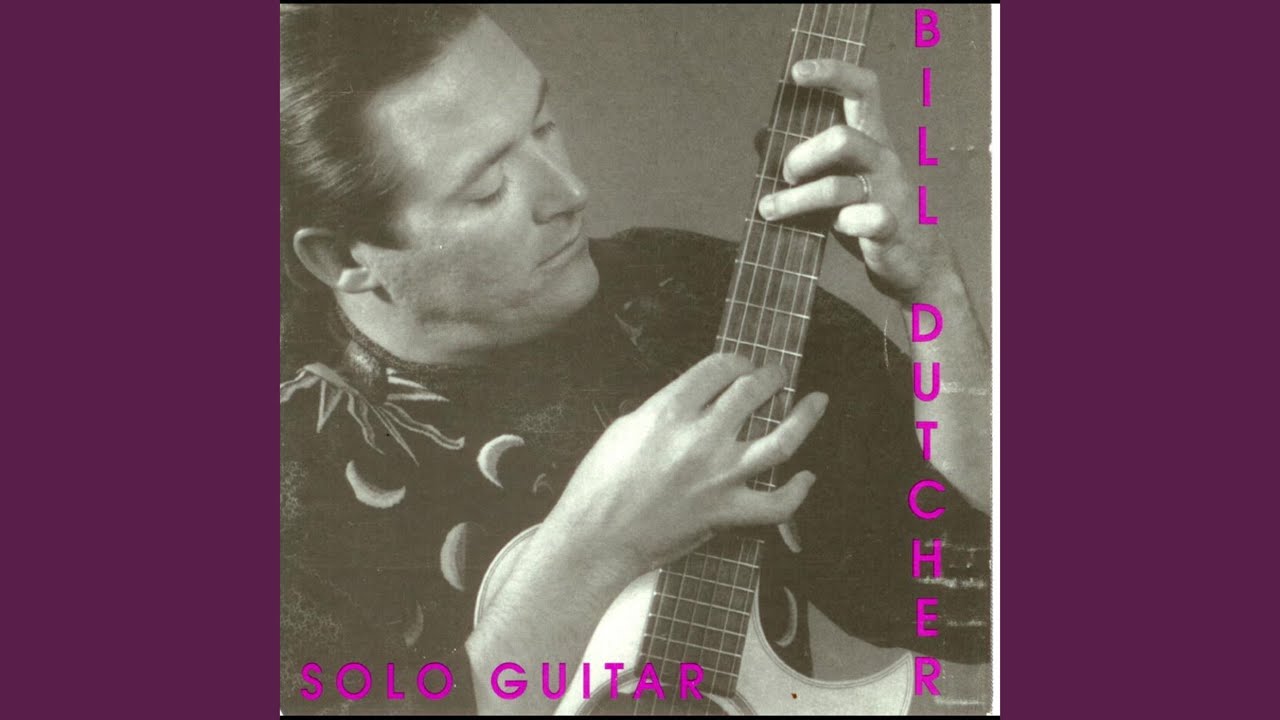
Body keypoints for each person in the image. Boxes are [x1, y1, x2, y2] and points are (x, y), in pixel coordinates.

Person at [280, 5, 992, 715]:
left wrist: (935, 291)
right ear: (342, 257)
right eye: (487, 189)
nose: (570, 193)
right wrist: (596, 546)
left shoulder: (693, 299)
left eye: (543, 126)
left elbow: (975, 606)